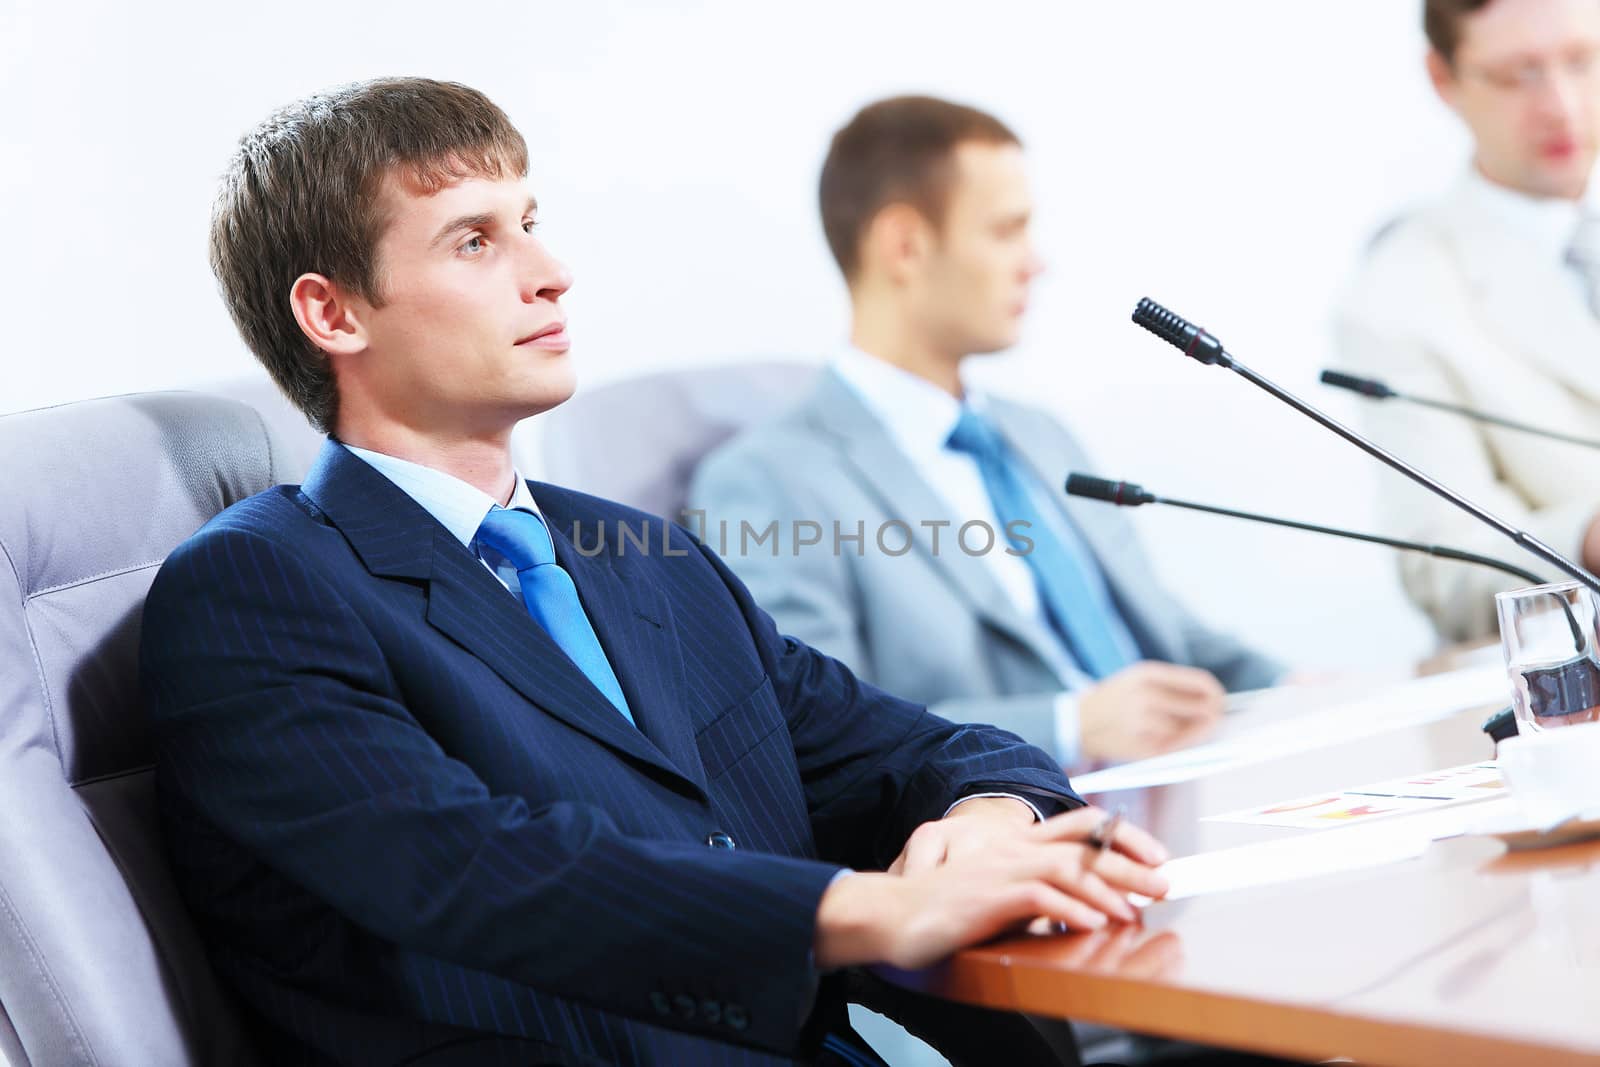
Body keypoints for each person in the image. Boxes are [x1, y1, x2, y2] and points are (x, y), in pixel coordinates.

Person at [138, 77, 1172, 1067]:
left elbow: (922, 746)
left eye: (529, 219)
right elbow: (476, 869)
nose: (549, 270)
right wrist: (873, 907)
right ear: (333, 314)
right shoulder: (255, 590)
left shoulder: (643, 555)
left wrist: (984, 819)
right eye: (474, 239)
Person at [690, 96, 1284, 774]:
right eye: (1006, 231)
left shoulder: (1038, 434)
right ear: (904, 246)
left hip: (1198, 779)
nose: (1035, 263)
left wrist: (1301, 690)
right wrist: (1068, 723)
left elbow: (1171, 636)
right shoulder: (771, 479)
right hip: (1035, 820)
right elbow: (815, 729)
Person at [1336, 0, 1600, 641]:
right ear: (1442, 77)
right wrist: (1589, 539)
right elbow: (1445, 576)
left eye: (1581, 61)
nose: (1560, 106)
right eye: (1516, 75)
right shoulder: (1397, 296)